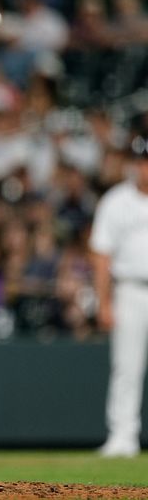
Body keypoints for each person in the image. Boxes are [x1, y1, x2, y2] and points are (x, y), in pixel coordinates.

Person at [90, 135, 148, 458]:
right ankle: (123, 436)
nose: (145, 168)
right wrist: (104, 301)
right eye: (141, 161)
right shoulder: (117, 201)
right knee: (127, 366)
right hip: (130, 289)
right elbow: (101, 255)